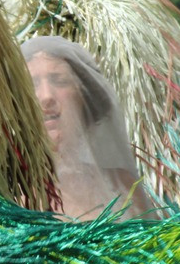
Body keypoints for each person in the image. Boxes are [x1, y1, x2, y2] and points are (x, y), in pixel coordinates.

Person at [22, 35, 153, 221]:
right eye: (32, 84)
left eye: (59, 81)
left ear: (83, 97)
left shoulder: (123, 185)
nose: (46, 96)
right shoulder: (9, 194)